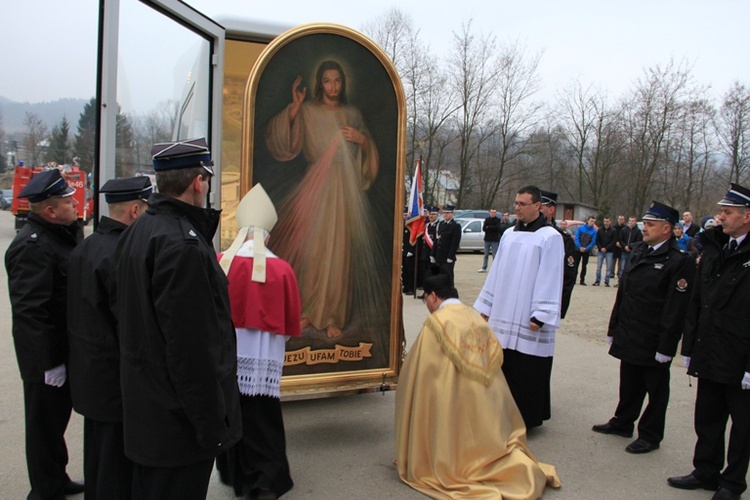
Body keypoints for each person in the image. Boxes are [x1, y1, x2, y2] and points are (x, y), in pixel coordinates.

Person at [114, 138, 241, 499]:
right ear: (197, 182)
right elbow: (192, 351)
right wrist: (212, 426)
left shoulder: (141, 230)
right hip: (177, 425)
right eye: (206, 180)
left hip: (148, 411)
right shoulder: (182, 246)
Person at [395, 270, 561, 498]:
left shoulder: (437, 323)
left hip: (452, 401)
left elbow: (422, 369)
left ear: (433, 296)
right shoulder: (475, 316)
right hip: (486, 405)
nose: (427, 306)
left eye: (426, 300)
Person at [265, 60, 381, 339]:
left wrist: (361, 139)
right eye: (327, 81)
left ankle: (333, 316)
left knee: (339, 253)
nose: (333, 87)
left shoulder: (352, 113)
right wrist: (294, 107)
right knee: (312, 250)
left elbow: (369, 152)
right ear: (320, 83)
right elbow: (281, 141)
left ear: (344, 83)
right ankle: (306, 310)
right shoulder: (307, 110)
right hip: (315, 186)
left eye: (338, 80)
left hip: (344, 190)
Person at [67, 176, 152, 499]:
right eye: (145, 210)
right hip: (116, 375)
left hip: (89, 372)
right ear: (133, 210)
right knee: (117, 462)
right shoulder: (123, 254)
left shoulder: (86, 246)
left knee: (99, 454)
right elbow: (129, 321)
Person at [5, 168, 85, 499]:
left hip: (63, 348)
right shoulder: (32, 247)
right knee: (43, 426)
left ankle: (56, 476)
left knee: (55, 424)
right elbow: (30, 314)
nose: (75, 203)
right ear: (50, 211)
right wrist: (47, 364)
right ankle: (44, 489)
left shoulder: (61, 235)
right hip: (45, 357)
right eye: (68, 201)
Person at [216, 184, 300, 500]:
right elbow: (290, 320)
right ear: (266, 236)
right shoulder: (281, 268)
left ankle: (234, 474)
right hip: (263, 359)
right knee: (262, 417)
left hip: (226, 357)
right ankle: (265, 480)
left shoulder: (219, 260)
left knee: (230, 412)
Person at [592, 201, 695, 455]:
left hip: (654, 336)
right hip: (630, 331)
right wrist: (614, 327)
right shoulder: (639, 250)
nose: (644, 228)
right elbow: (624, 293)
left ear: (667, 229)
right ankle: (623, 421)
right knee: (629, 381)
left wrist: (667, 345)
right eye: (644, 224)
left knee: (656, 389)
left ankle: (650, 434)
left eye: (650, 225)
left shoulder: (679, 261)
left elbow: (676, 308)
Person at [668, 183, 750, 500]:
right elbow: (698, 302)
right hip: (711, 347)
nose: (720, 218)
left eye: (727, 213)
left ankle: (732, 483)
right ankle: (706, 470)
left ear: (746, 217)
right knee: (708, 415)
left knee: (742, 425)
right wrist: (690, 347)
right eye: (721, 212)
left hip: (740, 354)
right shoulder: (716, 246)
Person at [474, 185, 564, 428]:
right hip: (503, 311)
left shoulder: (550, 237)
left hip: (528, 314)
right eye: (516, 203)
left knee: (527, 368)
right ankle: (500, 413)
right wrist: (487, 304)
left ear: (537, 206)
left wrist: (541, 314)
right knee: (504, 364)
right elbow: (497, 271)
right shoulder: (509, 234)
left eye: (523, 204)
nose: (517, 208)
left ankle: (526, 418)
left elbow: (551, 275)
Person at [540, 189, 577, 318]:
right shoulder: (522, 234)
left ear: (551, 210)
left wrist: (558, 309)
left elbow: (568, 277)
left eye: (541, 207)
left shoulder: (562, 239)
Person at [431, 204, 461, 285]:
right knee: (439, 277)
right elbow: (436, 241)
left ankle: (449, 294)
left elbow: (455, 243)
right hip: (439, 256)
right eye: (444, 213)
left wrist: (450, 256)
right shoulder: (440, 224)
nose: (446, 214)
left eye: (448, 213)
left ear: (452, 214)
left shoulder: (455, 226)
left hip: (447, 256)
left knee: (448, 277)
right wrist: (432, 254)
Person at [594, 216, 617, 287]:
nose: (606, 223)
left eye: (607, 221)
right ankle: (597, 280)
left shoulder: (613, 231)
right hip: (601, 251)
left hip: (609, 251)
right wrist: (600, 248)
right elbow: (597, 240)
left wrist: (606, 248)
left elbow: (614, 241)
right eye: (605, 221)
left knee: (608, 267)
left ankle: (607, 281)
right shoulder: (600, 230)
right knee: (599, 267)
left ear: (610, 222)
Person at [574, 216, 597, 285]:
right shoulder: (581, 228)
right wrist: (579, 247)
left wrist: (586, 248)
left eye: (593, 221)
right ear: (588, 221)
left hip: (586, 251)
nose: (592, 223)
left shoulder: (594, 231)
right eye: (591, 221)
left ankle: (582, 280)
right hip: (578, 249)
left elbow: (593, 242)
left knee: (584, 265)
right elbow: (576, 238)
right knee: (576, 265)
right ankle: (574, 279)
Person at [618, 216, 643, 281]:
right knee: (622, 267)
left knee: (631, 267)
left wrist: (630, 247)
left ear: (635, 222)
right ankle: (620, 281)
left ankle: (628, 280)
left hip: (632, 252)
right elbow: (621, 239)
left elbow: (638, 241)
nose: (631, 222)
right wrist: (625, 246)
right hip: (624, 251)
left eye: (633, 221)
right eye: (630, 221)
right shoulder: (624, 230)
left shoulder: (638, 231)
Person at [612, 214, 626, 278]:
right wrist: (615, 242)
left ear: (624, 220)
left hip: (621, 246)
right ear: (617, 220)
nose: (620, 220)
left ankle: (619, 273)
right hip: (614, 246)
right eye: (619, 219)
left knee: (620, 261)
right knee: (613, 260)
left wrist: (621, 243)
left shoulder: (625, 228)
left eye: (622, 219)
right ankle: (612, 273)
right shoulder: (614, 227)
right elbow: (612, 236)